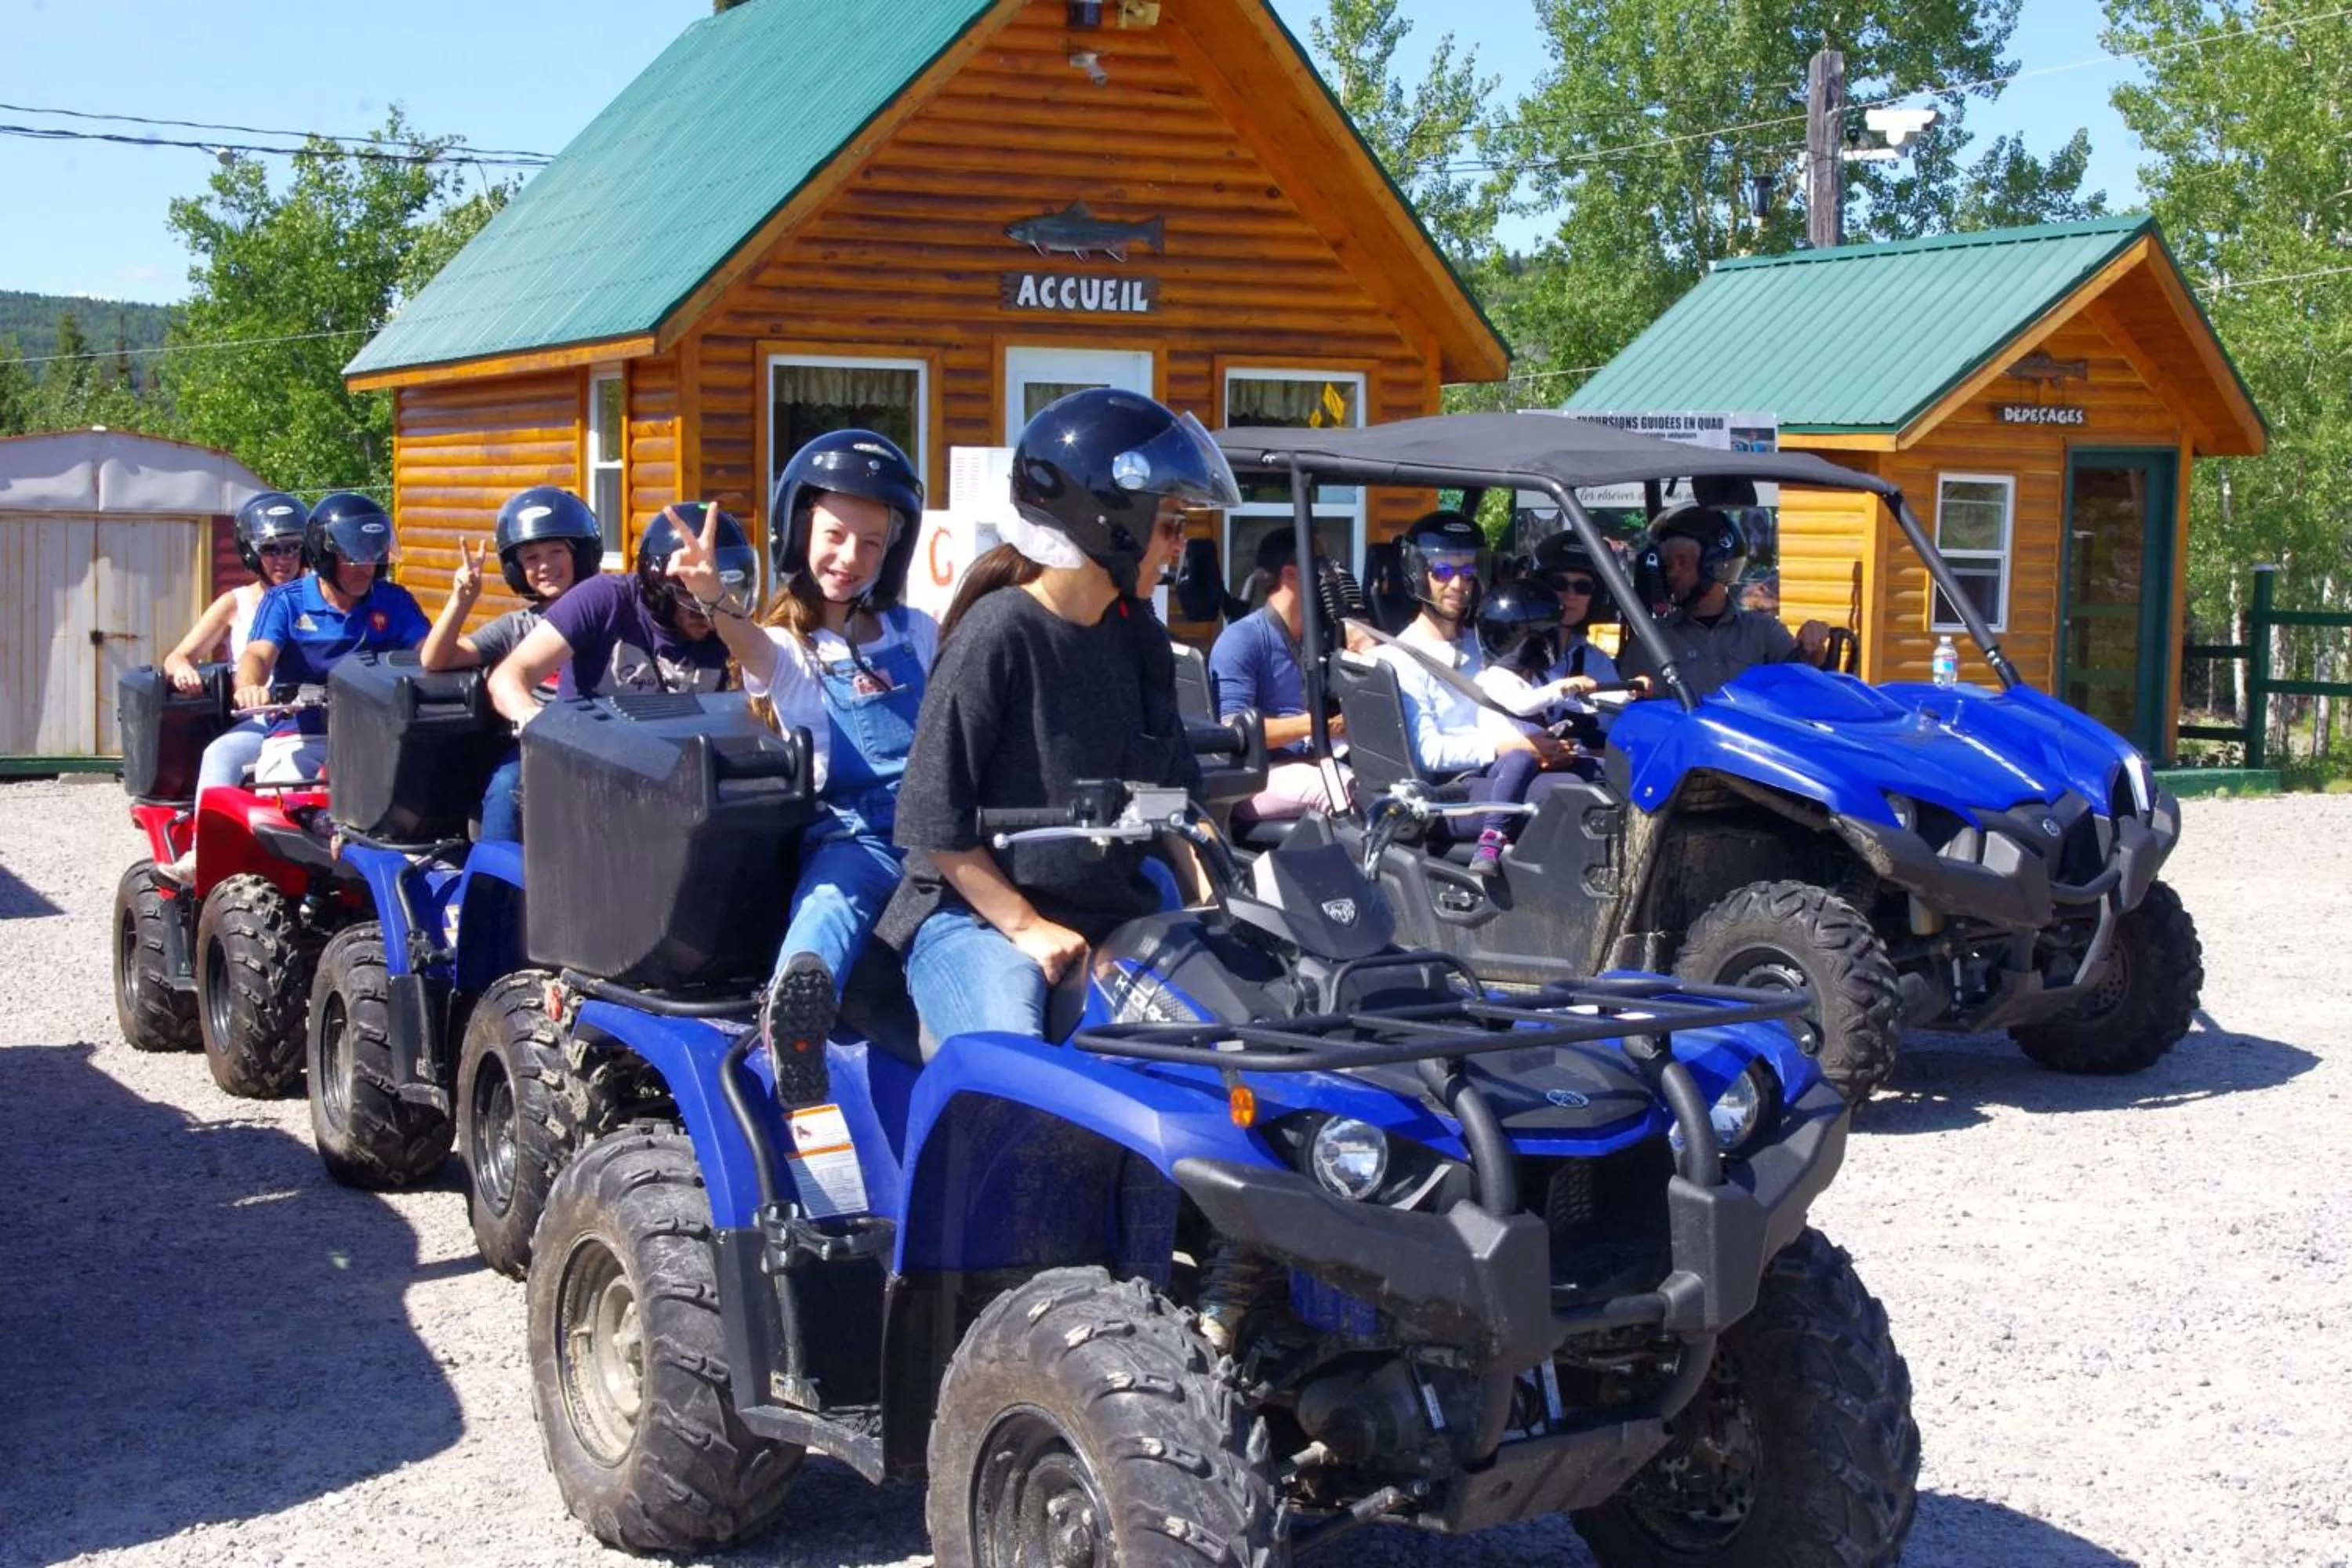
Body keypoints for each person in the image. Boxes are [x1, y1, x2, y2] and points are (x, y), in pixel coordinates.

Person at [884, 387, 1236, 1044]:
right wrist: (1026, 926)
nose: (1178, 549)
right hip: (972, 918)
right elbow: (933, 818)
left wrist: (1215, 905)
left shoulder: (1139, 637)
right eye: (1171, 526)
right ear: (1111, 520)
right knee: (1019, 1073)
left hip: (1108, 910)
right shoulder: (999, 633)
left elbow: (1172, 799)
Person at [663, 430, 931, 1102]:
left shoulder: (916, 630)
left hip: (935, 829)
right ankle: (795, 1017)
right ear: (801, 528)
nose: (852, 556)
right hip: (853, 833)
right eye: (837, 535)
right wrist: (714, 597)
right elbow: (748, 643)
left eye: (872, 542)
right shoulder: (790, 648)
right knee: (832, 903)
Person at [172, 493, 430, 874]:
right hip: (298, 727)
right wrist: (251, 686)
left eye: (373, 555)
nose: (365, 567)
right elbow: (257, 656)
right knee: (280, 779)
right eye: (352, 557)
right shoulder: (284, 601)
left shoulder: (394, 601)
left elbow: (431, 655)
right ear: (326, 556)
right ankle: (210, 854)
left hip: (375, 734)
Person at [1369, 512, 1573, 878]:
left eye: (1467, 571)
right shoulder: (1397, 659)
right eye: (1443, 571)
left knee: (1592, 784)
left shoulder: (1489, 643)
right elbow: (1427, 751)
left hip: (1508, 772)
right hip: (1451, 794)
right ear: (1418, 573)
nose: (1458, 583)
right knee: (1565, 795)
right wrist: (1507, 747)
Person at [421, 486, 603, 842]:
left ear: (580, 554)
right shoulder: (517, 625)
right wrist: (461, 600)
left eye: (556, 552)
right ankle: (494, 887)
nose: (545, 566)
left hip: (605, 743)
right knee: (506, 786)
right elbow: (436, 658)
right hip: (536, 749)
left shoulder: (608, 613)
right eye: (531, 558)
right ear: (517, 569)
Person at [486, 503, 748, 724]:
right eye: (689, 593)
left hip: (688, 767)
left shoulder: (730, 623)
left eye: (714, 593)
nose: (705, 611)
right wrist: (531, 716)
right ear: (659, 587)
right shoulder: (603, 599)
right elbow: (510, 675)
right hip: (587, 760)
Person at [1206, 528, 1349, 824]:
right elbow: (1235, 733)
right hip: (1253, 779)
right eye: (1322, 564)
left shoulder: (1322, 636)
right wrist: (1319, 726)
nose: (1331, 575)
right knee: (1340, 790)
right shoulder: (1242, 640)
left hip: (1310, 761)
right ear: (1292, 574)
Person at [1617, 503, 1829, 699]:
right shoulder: (1652, 643)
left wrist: (1814, 646)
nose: (1672, 573)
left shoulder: (1762, 632)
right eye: (1668, 564)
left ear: (1713, 563)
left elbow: (1807, 688)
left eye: (1682, 562)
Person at [163, 491, 310, 692]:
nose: (283, 559)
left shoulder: (322, 598)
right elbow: (177, 657)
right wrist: (183, 670)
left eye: (293, 548)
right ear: (251, 554)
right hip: (258, 714)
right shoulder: (236, 602)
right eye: (270, 549)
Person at [1528, 530, 1621, 742]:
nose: (1571, 595)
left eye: (1583, 587)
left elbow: (1614, 733)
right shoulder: (1513, 653)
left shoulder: (1597, 663)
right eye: (1559, 584)